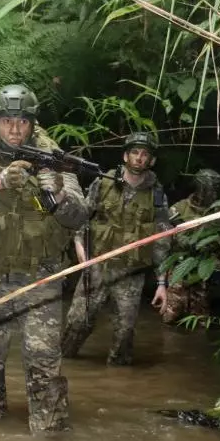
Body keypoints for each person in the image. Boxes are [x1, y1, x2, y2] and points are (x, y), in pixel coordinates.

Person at [0, 84, 89, 433]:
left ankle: (49, 436)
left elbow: (79, 217)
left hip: (41, 277)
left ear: (32, 123)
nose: (15, 130)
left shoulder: (54, 158)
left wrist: (60, 193)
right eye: (6, 121)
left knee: (43, 361)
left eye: (22, 121)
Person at [61, 131, 171, 365]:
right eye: (134, 153)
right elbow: (82, 217)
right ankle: (63, 365)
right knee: (77, 323)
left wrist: (162, 284)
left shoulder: (157, 195)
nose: (139, 158)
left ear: (151, 161)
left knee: (124, 333)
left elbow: (162, 241)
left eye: (144, 154)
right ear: (125, 156)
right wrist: (81, 252)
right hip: (98, 265)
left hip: (131, 273)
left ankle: (119, 378)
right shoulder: (103, 183)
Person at [162, 168, 220, 324]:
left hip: (204, 271)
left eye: (215, 189)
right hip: (179, 268)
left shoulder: (218, 212)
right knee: (172, 315)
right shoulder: (178, 209)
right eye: (210, 188)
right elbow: (164, 239)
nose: (212, 193)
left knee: (201, 319)